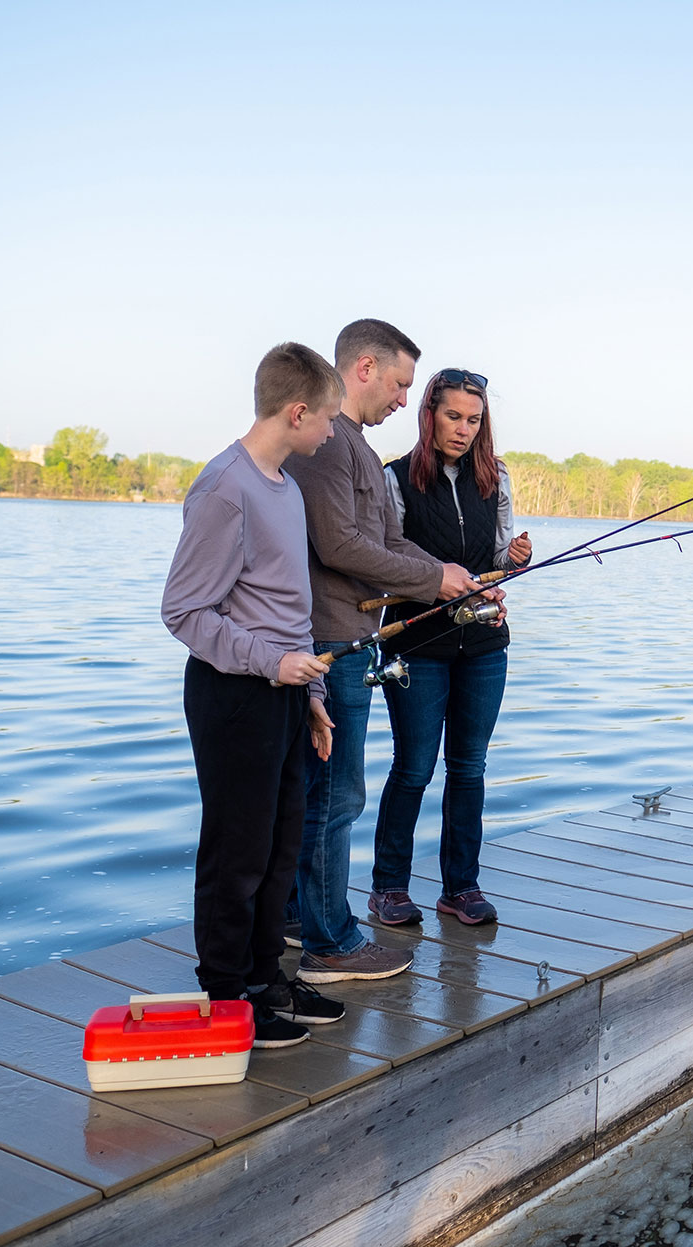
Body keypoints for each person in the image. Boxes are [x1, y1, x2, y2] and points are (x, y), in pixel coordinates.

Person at [284, 320, 498, 977]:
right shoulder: (330, 445)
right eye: (403, 385)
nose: (405, 400)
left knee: (327, 791)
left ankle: (302, 917)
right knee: (336, 795)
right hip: (330, 639)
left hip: (351, 636)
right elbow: (340, 546)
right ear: (366, 368)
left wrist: (450, 577)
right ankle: (331, 941)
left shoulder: (354, 449)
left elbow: (383, 541)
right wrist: (434, 578)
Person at [160, 342, 349, 1048]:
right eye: (327, 418)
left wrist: (313, 697)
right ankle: (224, 993)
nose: (331, 431)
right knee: (236, 852)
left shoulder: (285, 487)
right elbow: (183, 612)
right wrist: (273, 665)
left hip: (284, 697)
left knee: (280, 847)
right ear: (297, 412)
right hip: (232, 695)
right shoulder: (224, 487)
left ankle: (266, 975)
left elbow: (287, 611)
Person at [372, 368, 531, 927]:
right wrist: (433, 578)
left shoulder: (497, 479)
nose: (464, 429)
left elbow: (496, 557)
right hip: (415, 643)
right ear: (430, 414)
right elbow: (383, 562)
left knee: (469, 768)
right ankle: (389, 887)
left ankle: (460, 888)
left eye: (475, 419)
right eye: (453, 416)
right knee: (414, 768)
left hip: (485, 644)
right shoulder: (396, 480)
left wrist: (513, 562)